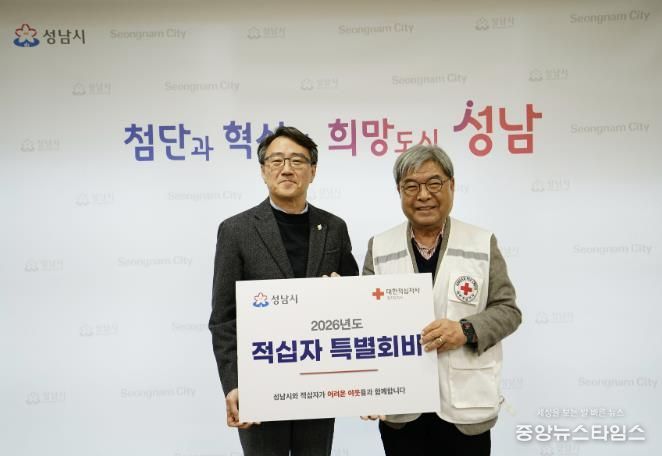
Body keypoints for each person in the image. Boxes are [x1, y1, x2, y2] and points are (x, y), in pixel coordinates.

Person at [362, 144, 521, 455]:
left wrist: (465, 330)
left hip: (465, 407)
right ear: (399, 191)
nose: (423, 195)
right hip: (401, 406)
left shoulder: (481, 242)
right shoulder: (380, 247)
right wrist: (367, 390)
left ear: (452, 185)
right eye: (411, 186)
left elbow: (508, 310)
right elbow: (367, 322)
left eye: (434, 183)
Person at [209, 126, 359, 456]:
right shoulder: (236, 230)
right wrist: (233, 384)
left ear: (313, 171)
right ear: (263, 171)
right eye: (276, 161)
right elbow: (223, 318)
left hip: (319, 382)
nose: (287, 169)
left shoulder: (334, 227)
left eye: (297, 161)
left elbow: (355, 302)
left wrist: (343, 293)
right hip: (260, 383)